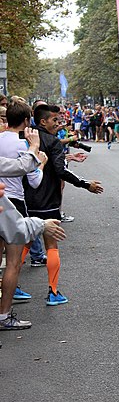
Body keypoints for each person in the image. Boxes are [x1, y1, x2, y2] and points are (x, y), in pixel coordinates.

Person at [23, 104, 103, 306]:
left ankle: (10, 285)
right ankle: (53, 292)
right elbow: (60, 171)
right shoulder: (53, 142)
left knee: (24, 243)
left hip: (26, 200)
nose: (58, 123)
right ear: (43, 121)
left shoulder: (25, 139)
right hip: (48, 201)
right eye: (54, 120)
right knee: (51, 246)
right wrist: (86, 184)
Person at [0, 127, 66, 331]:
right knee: (13, 263)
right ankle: (4, 314)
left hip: (14, 206)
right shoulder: (26, 143)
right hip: (21, 205)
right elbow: (34, 178)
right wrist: (39, 155)